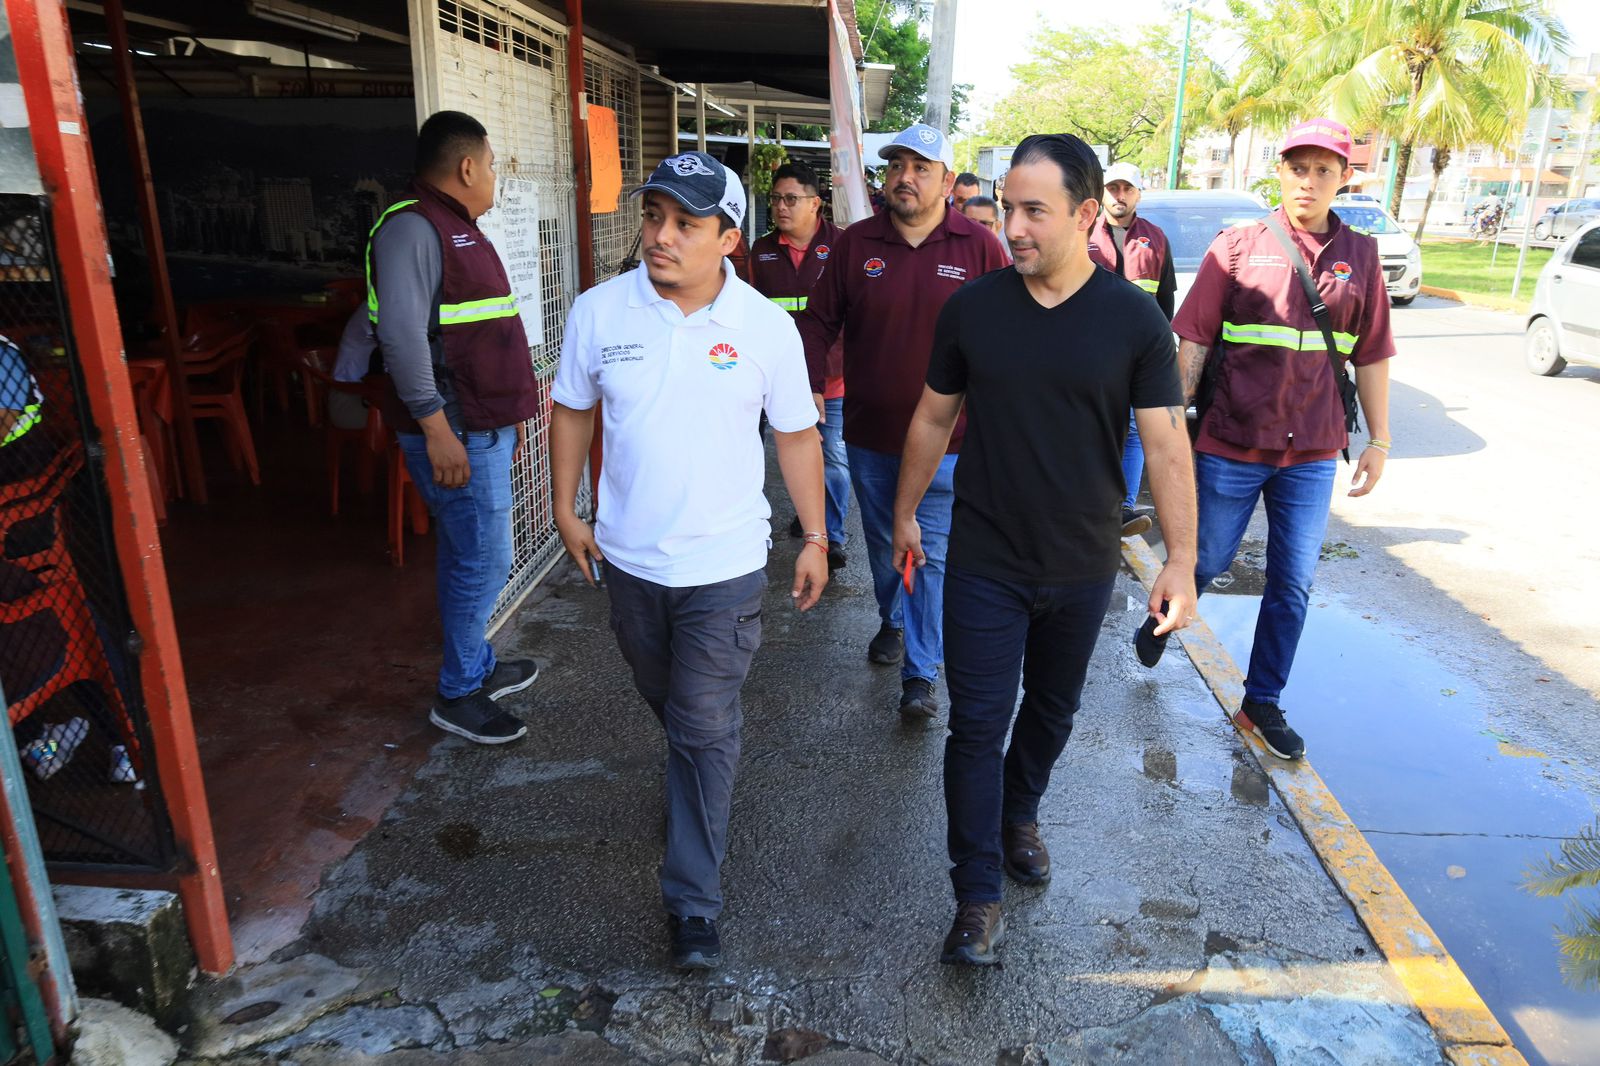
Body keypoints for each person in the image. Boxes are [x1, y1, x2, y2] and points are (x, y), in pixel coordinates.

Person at [892, 133, 1197, 967]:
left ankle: (1020, 812)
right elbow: (931, 417)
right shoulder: (975, 309)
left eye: (1035, 210)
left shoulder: (1134, 319)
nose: (1014, 226)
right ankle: (977, 895)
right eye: (1008, 205)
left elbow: (1167, 444)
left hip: (1082, 560)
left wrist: (1178, 559)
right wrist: (906, 513)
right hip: (986, 557)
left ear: (1086, 213)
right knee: (975, 726)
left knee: (1052, 713)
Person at [550, 151, 828, 972]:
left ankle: (693, 903)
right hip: (631, 565)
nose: (661, 237)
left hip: (727, 567)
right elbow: (571, 412)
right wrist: (566, 509)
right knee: (669, 704)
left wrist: (814, 536)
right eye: (654, 217)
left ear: (729, 239)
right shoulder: (600, 313)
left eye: (686, 223)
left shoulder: (766, 329)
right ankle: (691, 789)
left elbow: (797, 436)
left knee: (705, 725)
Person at [1140, 116, 1394, 761]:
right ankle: (1165, 610)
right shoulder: (1238, 244)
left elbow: (1371, 354)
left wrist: (1380, 440)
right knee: (1211, 561)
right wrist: (1170, 422)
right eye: (1298, 168)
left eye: (1324, 171)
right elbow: (1192, 340)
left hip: (1312, 450)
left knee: (1294, 582)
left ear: (1343, 179)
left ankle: (1263, 700)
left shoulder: (1360, 256)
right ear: (1279, 172)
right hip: (1233, 442)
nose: (1309, 182)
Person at [798, 123, 1009, 720]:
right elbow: (818, 322)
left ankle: (920, 669)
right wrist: (812, 381)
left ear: (948, 181)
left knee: (928, 550)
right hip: (869, 434)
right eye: (896, 166)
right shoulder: (856, 244)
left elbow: (1003, 333)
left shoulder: (979, 246)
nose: (905, 177)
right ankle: (893, 617)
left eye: (921, 168)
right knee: (886, 541)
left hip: (950, 443)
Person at [368, 110, 541, 746]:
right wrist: (437, 428)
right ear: (467, 166)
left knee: (468, 553)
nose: (495, 176)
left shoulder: (454, 226)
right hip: (455, 429)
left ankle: (477, 665)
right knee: (486, 558)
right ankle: (459, 692)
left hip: (479, 423)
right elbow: (402, 336)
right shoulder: (413, 228)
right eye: (492, 164)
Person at [745, 162, 850, 571]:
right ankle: (805, 518)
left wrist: (832, 374)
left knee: (833, 457)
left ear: (815, 204)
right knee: (785, 450)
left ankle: (833, 538)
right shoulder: (762, 250)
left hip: (832, 375)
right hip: (776, 377)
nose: (781, 207)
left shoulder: (842, 247)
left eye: (791, 199)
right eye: (776, 199)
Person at [1086, 161, 1177, 539]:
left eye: (1127, 189)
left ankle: (1121, 508)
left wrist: (1157, 346)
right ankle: (1088, 500)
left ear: (1138, 194)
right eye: (1113, 188)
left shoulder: (1155, 238)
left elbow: (1165, 300)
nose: (1119, 195)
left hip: (1138, 353)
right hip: (1089, 349)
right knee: (1090, 424)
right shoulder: (1082, 232)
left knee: (1136, 430)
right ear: (1102, 192)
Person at [960, 196, 1011, 264]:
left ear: (998, 226)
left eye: (984, 224)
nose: (978, 230)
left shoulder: (1009, 268)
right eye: (971, 223)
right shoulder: (949, 261)